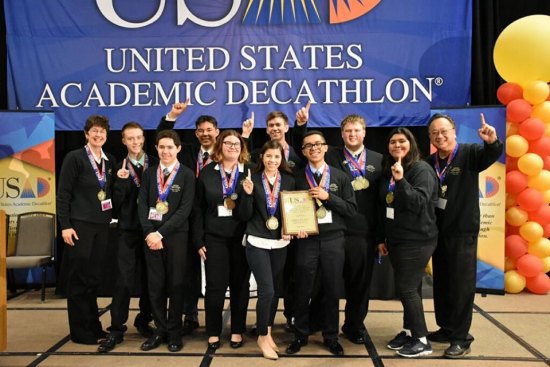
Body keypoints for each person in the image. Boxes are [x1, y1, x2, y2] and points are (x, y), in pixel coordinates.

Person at [295, 113, 383, 344]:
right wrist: (301, 126)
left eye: (356, 130)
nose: (352, 134)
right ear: (341, 134)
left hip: (361, 232)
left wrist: (381, 235)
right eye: (347, 131)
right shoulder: (330, 154)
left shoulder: (378, 160)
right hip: (329, 231)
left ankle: (354, 326)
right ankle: (317, 323)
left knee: (358, 283)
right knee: (324, 283)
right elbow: (304, 147)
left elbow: (382, 200)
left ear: (364, 132)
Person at [426, 113, 503, 358]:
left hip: (462, 233)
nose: (440, 136)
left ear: (454, 131)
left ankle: (461, 337)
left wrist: (492, 142)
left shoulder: (469, 153)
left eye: (444, 130)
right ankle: (447, 328)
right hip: (438, 233)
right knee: (443, 284)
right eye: (435, 133)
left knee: (461, 286)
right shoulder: (430, 163)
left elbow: (489, 155)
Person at [286, 130, 357, 356]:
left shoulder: (340, 177)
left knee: (332, 289)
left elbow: (352, 210)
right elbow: (287, 210)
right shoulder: (296, 178)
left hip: (333, 240)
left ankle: (331, 337)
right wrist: (295, 229)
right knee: (302, 288)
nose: (314, 148)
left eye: (318, 144)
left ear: (326, 148)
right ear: (304, 151)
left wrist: (329, 198)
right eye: (308, 146)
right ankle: (300, 335)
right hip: (305, 241)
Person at [157, 101, 220, 335]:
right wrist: (172, 115)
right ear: (196, 134)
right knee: (188, 270)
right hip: (185, 216)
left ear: (217, 132)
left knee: (216, 272)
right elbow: (163, 136)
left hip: (214, 218)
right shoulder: (190, 153)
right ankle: (190, 315)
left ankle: (218, 322)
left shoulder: (225, 154)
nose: (205, 134)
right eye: (201, 131)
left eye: (209, 130)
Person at [376, 127, 438, 358]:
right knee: (410, 288)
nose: (397, 145)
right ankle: (409, 330)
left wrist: (401, 180)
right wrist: (382, 238)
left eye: (402, 141)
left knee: (407, 288)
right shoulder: (388, 170)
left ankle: (422, 340)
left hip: (418, 239)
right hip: (398, 239)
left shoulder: (421, 169)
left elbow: (419, 202)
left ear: (410, 143)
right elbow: (387, 206)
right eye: (392, 142)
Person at [98, 122, 157, 353]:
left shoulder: (155, 162)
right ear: (123, 141)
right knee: (123, 279)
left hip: (151, 230)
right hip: (128, 230)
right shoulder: (116, 166)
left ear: (143, 139)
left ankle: (144, 319)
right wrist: (121, 182)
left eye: (138, 138)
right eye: (130, 138)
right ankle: (116, 327)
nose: (135, 142)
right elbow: (113, 205)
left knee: (151, 279)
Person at [57, 115, 116, 344]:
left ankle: (94, 326)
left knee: (93, 279)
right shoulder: (75, 158)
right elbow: (63, 195)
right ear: (86, 134)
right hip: (79, 225)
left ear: (106, 135)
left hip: (102, 226)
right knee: (79, 279)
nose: (98, 135)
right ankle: (80, 332)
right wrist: (66, 226)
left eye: (102, 132)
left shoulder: (109, 161)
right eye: (94, 131)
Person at [193, 130, 253, 350]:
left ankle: (237, 330)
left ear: (242, 147)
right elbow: (198, 209)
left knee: (240, 285)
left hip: (242, 238)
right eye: (227, 143)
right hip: (214, 238)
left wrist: (247, 195)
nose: (232, 147)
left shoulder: (250, 172)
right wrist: (198, 240)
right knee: (215, 287)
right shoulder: (207, 173)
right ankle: (213, 332)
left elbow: (253, 208)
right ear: (220, 146)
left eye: (236, 144)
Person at [137, 129, 195, 352]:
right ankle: (159, 331)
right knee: (155, 286)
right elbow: (142, 204)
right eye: (161, 147)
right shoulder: (150, 173)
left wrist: (160, 234)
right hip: (151, 237)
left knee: (176, 285)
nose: (166, 151)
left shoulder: (187, 175)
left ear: (178, 148)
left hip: (176, 237)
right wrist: (149, 232)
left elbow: (184, 210)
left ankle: (174, 332)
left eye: (170, 147)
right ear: (156, 149)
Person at [239, 141, 296, 360]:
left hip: (280, 242)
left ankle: (269, 331)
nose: (273, 161)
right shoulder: (251, 180)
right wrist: (247, 195)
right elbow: (244, 215)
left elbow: (292, 209)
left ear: (282, 159)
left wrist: (289, 227)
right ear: (261, 157)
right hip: (257, 241)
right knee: (267, 291)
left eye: (277, 157)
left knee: (274, 292)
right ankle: (262, 336)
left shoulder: (289, 180)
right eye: (269, 156)